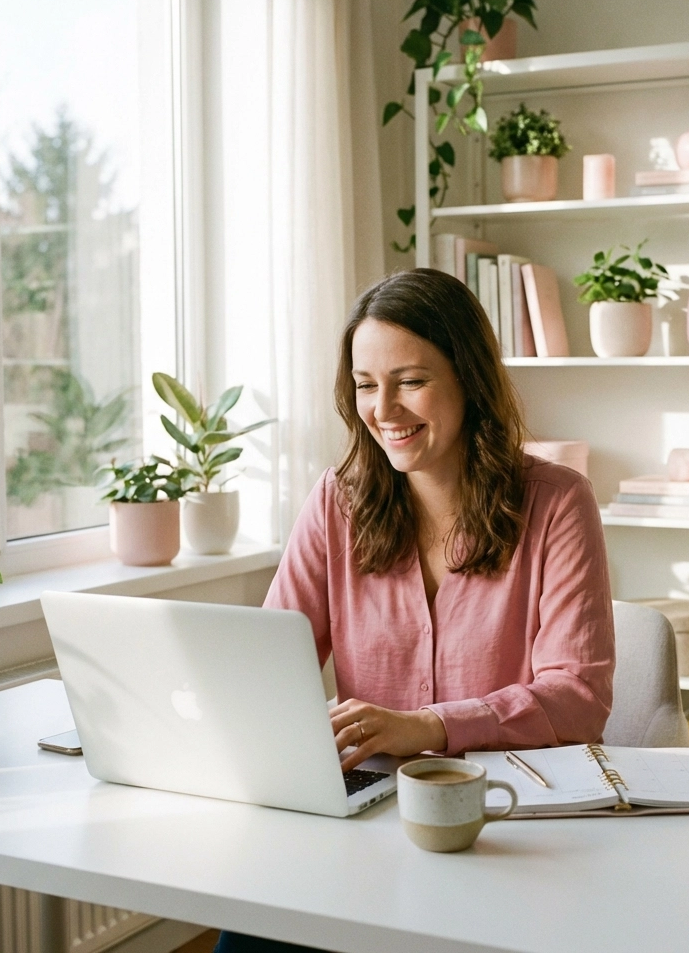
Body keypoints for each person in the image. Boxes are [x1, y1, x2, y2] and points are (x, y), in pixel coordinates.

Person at [214, 268, 614, 953]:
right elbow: (266, 664)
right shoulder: (335, 504)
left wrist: (426, 726)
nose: (384, 409)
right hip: (363, 824)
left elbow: (578, 698)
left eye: (411, 380)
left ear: (469, 378)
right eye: (366, 386)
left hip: (506, 828)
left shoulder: (557, 503)